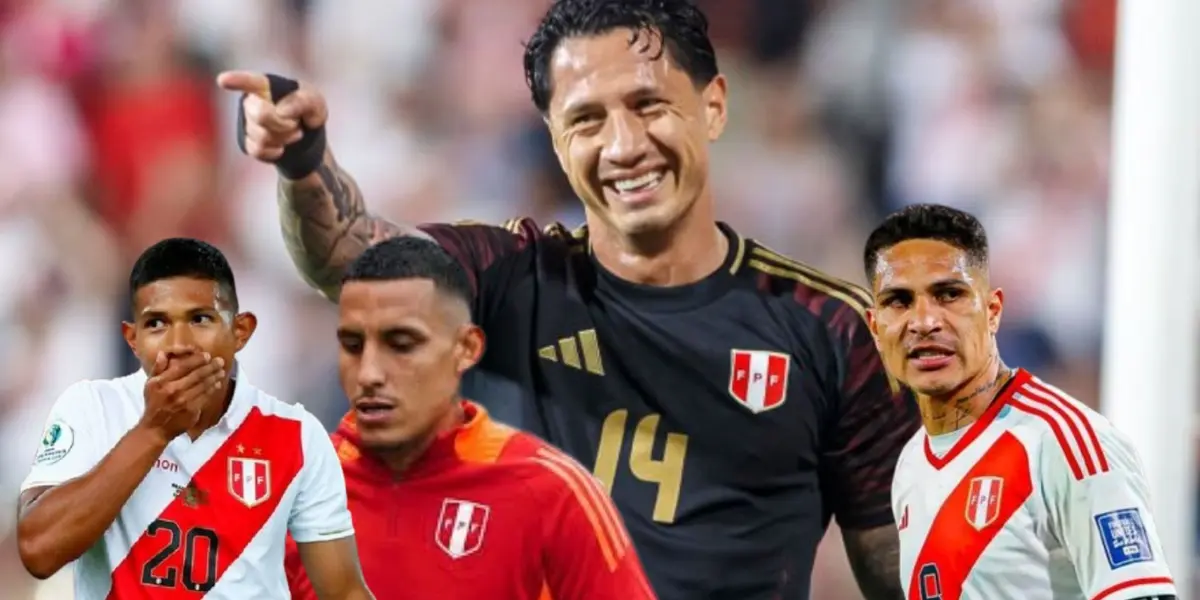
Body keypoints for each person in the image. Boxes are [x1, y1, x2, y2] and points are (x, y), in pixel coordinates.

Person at [219, 0, 919, 596]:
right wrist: (304, 161)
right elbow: (351, 257)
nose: (624, 146)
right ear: (555, 142)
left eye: (648, 105)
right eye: (586, 120)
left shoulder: (832, 332)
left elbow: (902, 569)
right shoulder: (507, 278)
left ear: (713, 106)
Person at [282, 236, 655, 599]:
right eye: (352, 346)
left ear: (466, 348)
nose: (369, 373)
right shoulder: (289, 494)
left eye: (402, 345)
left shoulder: (552, 494)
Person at [16, 238, 374, 599]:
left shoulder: (297, 435)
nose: (179, 344)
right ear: (132, 338)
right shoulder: (93, 409)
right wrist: (154, 431)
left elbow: (343, 592)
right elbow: (39, 551)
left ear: (240, 332)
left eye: (200, 319)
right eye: (157, 324)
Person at [862, 204, 1177, 600]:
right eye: (899, 301)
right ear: (875, 328)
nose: (924, 322)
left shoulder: (1064, 442)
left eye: (949, 294)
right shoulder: (911, 463)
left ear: (992, 311)